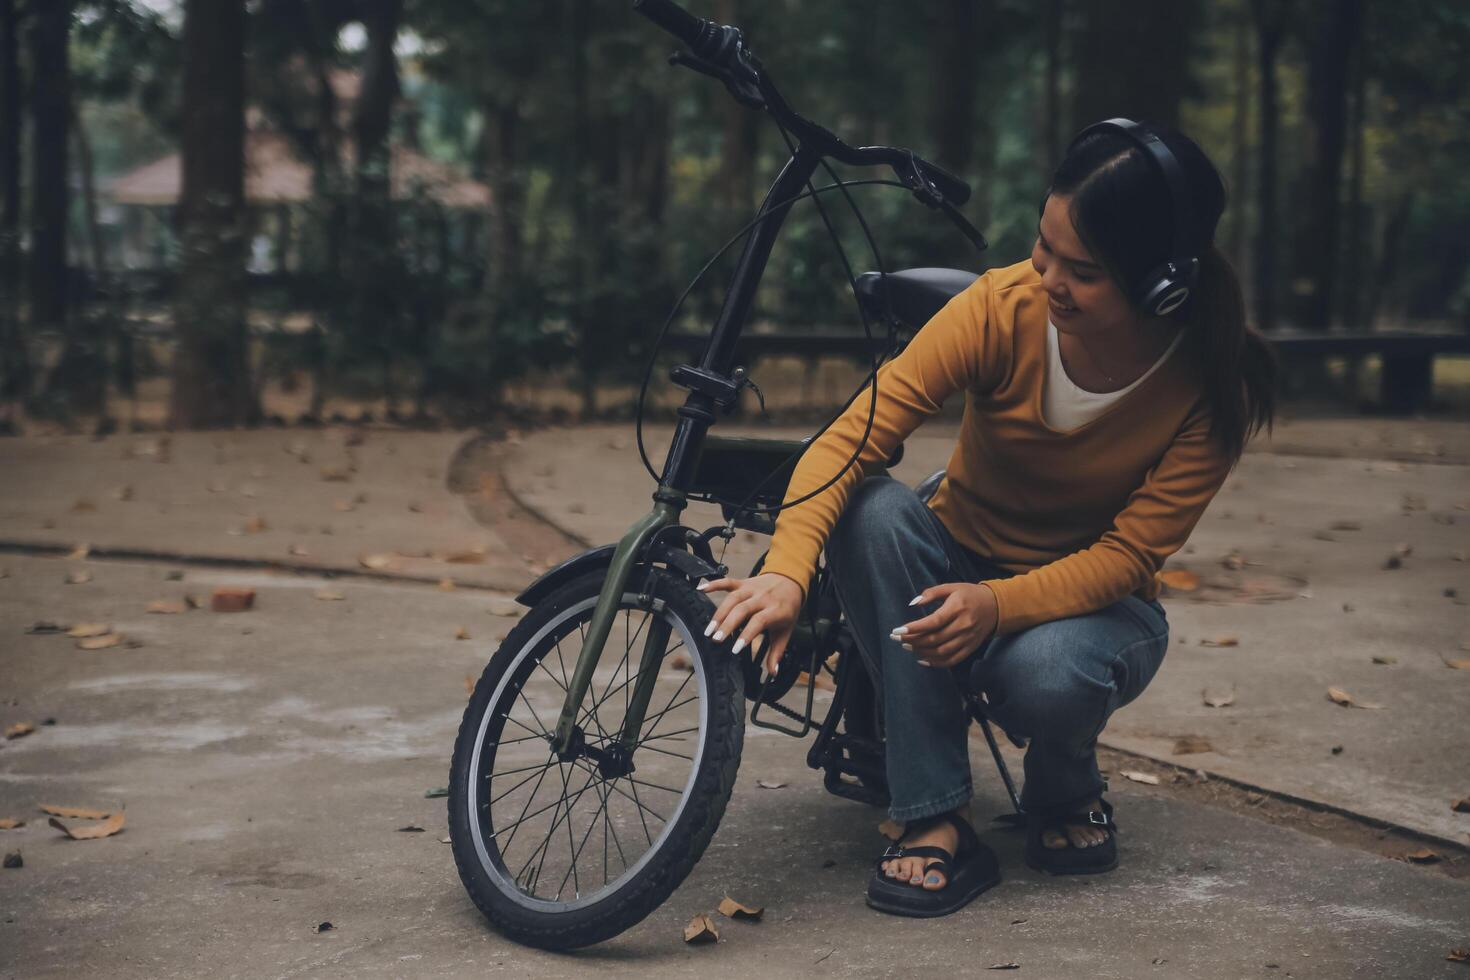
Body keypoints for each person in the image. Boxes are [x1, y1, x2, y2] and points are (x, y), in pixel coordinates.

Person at [696, 118, 1279, 917]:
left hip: (1095, 609)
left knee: (1044, 674)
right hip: (955, 555)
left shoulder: (1212, 383)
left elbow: (1127, 555)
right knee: (872, 510)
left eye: (1083, 270)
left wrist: (997, 606)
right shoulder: (1001, 307)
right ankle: (933, 813)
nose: (1048, 278)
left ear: (1159, 287)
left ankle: (1064, 788)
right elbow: (849, 440)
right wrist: (790, 571)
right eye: (1044, 247)